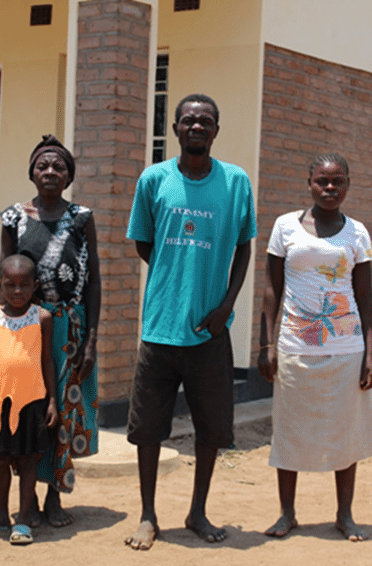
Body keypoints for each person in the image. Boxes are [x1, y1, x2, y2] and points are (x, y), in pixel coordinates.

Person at [124, 93, 257, 550]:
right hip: (159, 328)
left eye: (205, 121)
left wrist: (225, 305)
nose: (196, 127)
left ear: (216, 130)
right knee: (148, 429)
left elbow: (244, 245)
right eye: (188, 121)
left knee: (210, 427)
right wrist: (173, 278)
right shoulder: (153, 179)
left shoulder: (236, 182)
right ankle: (147, 515)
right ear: (176, 128)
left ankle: (197, 510)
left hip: (209, 331)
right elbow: (145, 243)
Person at [258, 153, 372, 542]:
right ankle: (286, 513)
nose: (330, 188)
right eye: (322, 181)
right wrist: (267, 344)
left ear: (348, 184)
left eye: (338, 181)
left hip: (346, 351)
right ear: (308, 182)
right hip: (295, 346)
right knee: (289, 431)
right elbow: (271, 290)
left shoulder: (358, 233)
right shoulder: (285, 227)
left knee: (345, 433)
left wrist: (371, 355)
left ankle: (344, 515)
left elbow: (365, 297)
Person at [0, 134, 100, 527]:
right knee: (31, 409)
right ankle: (27, 496)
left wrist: (91, 338)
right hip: (26, 328)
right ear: (32, 172)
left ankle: (54, 496)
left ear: (69, 175)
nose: (50, 172)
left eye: (59, 166)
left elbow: (93, 281)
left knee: (64, 412)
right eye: (43, 165)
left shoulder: (82, 218)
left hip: (69, 331)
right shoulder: (13, 218)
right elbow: (3, 276)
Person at [0, 254, 58, 545]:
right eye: (10, 285)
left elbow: (47, 361)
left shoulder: (42, 317)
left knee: (28, 460)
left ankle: (22, 520)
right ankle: (0, 516)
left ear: (34, 286)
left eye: (24, 285)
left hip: (31, 401)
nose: (17, 291)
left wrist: (52, 401)